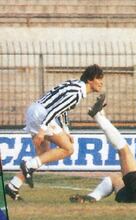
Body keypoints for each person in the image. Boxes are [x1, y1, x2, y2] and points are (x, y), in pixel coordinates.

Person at [5, 64, 104, 201]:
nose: (101, 82)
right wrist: (41, 131)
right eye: (99, 78)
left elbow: (62, 109)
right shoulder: (76, 94)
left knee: (42, 154)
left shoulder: (74, 85)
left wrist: (66, 131)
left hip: (34, 110)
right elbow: (55, 110)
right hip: (42, 114)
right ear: (90, 80)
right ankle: (28, 166)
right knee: (68, 149)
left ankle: (13, 185)